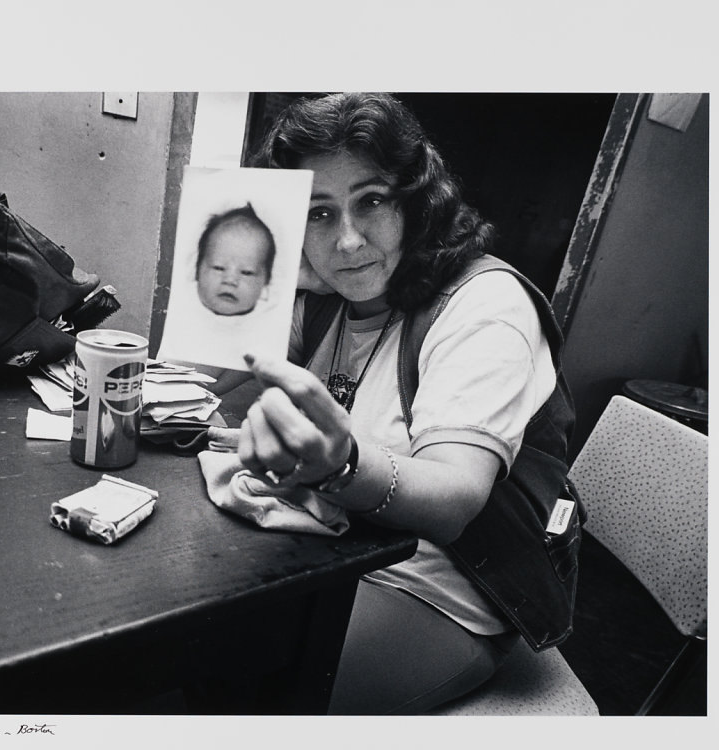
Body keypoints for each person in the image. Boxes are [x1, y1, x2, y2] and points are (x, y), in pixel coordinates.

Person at [227, 92, 569, 714]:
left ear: (417, 199)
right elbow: (208, 385)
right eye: (318, 213)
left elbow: (454, 500)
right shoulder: (329, 296)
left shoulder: (485, 306)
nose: (349, 242)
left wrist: (341, 467)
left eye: (372, 201)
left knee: (248, 692)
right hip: (332, 549)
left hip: (439, 588)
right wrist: (263, 281)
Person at [194, 203, 276, 316]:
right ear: (197, 270)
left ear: (266, 281)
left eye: (246, 272)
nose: (230, 280)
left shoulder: (273, 316)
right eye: (219, 268)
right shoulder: (178, 306)